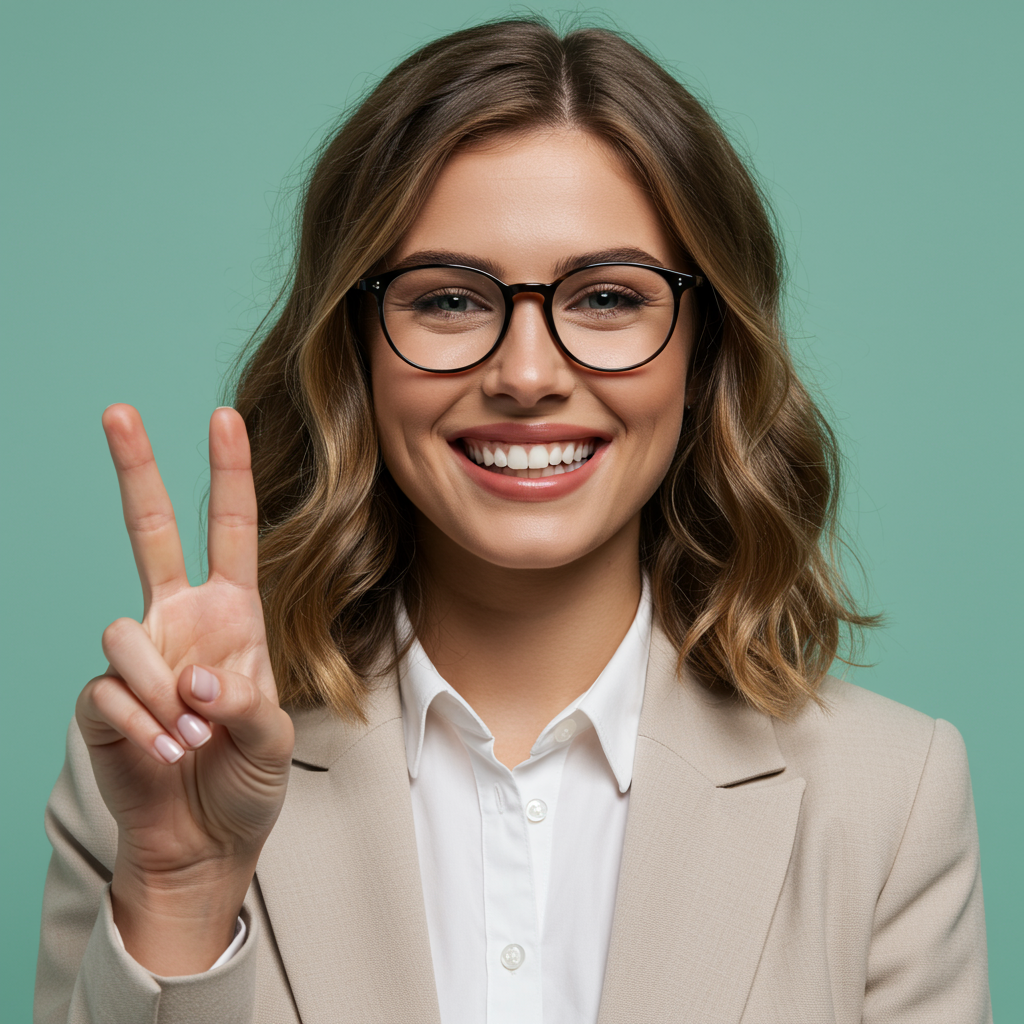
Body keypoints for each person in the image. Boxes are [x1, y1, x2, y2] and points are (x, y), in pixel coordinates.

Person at [34, 18, 991, 1024]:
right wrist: (182, 894)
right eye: (449, 300)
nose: (526, 375)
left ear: (703, 351)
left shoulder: (890, 798)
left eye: (607, 298)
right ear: (355, 350)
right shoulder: (154, 772)